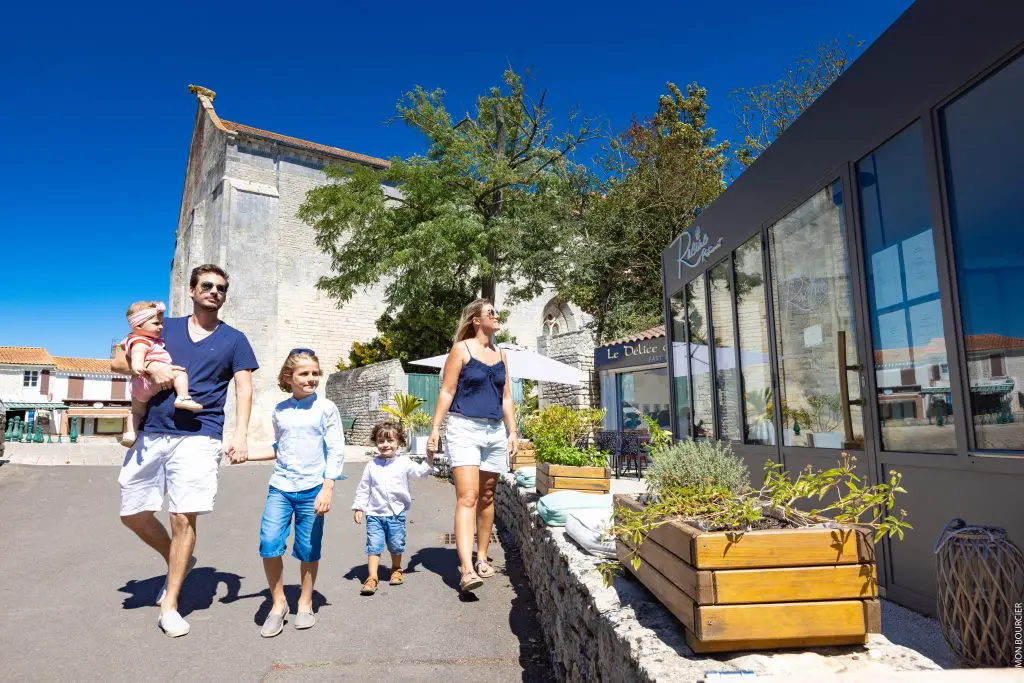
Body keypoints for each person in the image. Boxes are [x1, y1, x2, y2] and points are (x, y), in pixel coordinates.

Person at [112, 264, 258, 638]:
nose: (214, 292)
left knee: (182, 517)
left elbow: (244, 388)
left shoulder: (235, 339)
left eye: (221, 288)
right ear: (191, 290)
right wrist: (148, 368)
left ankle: (170, 604)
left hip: (200, 433)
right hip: (153, 429)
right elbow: (116, 359)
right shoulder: (165, 327)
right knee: (132, 512)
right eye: (206, 285)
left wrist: (240, 435)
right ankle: (179, 557)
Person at [241, 348, 346, 637]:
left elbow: (336, 449)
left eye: (315, 373)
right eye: (304, 373)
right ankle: (278, 605)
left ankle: (305, 602)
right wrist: (246, 454)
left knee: (308, 549)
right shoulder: (280, 411)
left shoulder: (326, 408)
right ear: (288, 377)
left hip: (314, 488)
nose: (312, 378)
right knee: (269, 542)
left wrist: (328, 488)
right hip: (281, 487)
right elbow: (280, 448)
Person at [426, 299, 518, 593]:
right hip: (464, 427)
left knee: (487, 496)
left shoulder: (502, 354)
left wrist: (513, 431)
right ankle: (466, 569)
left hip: (494, 431)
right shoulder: (461, 349)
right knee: (468, 496)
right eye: (491, 312)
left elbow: (506, 398)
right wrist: (435, 429)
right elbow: (447, 391)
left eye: (496, 312)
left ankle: (482, 556)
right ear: (477, 320)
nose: (496, 315)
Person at [352, 421, 434, 595]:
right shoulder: (371, 465)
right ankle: (372, 577)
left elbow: (420, 473)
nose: (385, 445)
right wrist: (359, 507)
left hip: (396, 514)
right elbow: (364, 488)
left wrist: (429, 458)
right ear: (376, 443)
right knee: (374, 545)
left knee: (396, 545)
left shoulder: (403, 462)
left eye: (390, 441)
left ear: (399, 442)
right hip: (374, 514)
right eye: (381, 441)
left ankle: (396, 568)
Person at [120, 301, 203, 448]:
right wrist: (139, 364)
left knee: (137, 412)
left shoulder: (132, 338)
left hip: (137, 386)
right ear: (138, 326)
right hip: (149, 380)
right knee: (180, 373)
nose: (161, 327)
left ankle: (130, 433)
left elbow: (126, 347)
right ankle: (183, 397)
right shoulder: (141, 341)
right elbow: (138, 353)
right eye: (156, 324)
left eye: (161, 323)